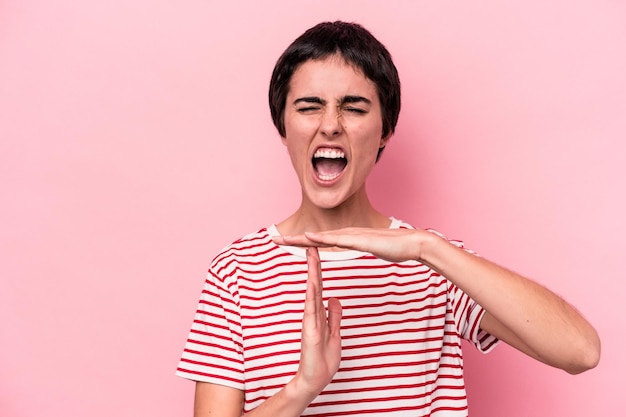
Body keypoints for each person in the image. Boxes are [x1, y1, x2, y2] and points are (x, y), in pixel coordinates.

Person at [176, 21, 600, 416]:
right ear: (283, 126)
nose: (330, 126)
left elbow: (580, 352)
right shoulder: (236, 270)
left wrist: (426, 247)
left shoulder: (434, 263)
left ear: (385, 130)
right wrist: (302, 388)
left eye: (354, 108)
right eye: (309, 106)